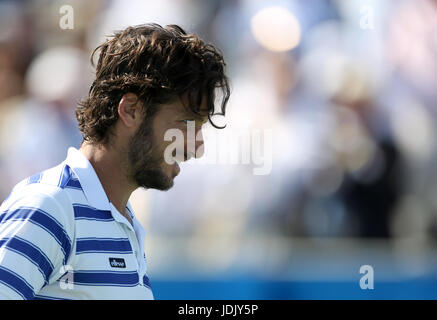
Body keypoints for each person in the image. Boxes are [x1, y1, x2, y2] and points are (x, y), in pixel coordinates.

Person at [0, 23, 230, 299]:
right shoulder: (49, 206)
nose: (197, 147)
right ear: (130, 110)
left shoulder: (126, 223)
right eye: (186, 123)